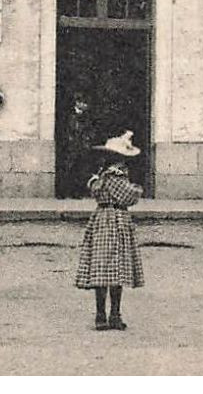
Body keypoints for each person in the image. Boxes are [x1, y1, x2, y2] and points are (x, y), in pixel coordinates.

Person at [75, 131, 145, 331]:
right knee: (116, 268)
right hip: (116, 219)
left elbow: (95, 189)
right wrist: (137, 189)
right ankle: (114, 314)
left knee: (101, 268)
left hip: (101, 219)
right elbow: (128, 197)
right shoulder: (116, 175)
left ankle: (100, 315)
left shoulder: (101, 176)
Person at [57, 94, 94, 199]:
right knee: (67, 169)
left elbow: (89, 131)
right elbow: (66, 131)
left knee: (79, 170)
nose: (85, 105)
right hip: (70, 147)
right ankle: (62, 192)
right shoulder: (69, 115)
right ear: (77, 103)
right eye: (83, 103)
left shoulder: (86, 117)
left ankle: (76, 192)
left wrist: (87, 141)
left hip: (81, 146)